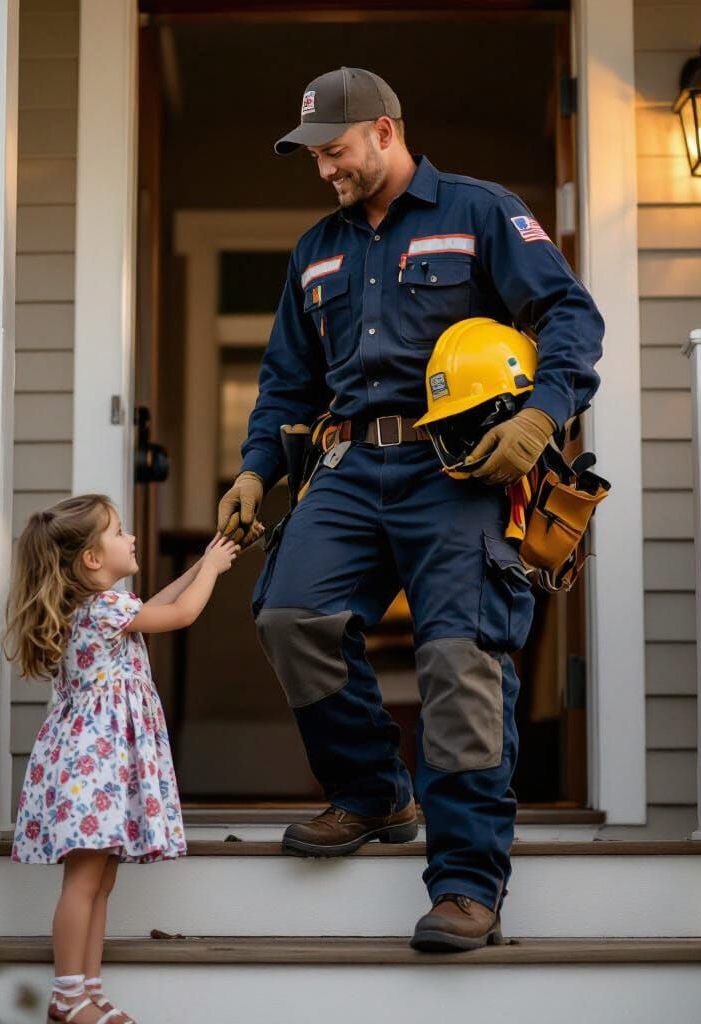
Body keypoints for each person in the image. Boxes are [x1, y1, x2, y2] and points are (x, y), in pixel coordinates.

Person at [217, 67, 604, 952]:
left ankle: (467, 883)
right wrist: (254, 471)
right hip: (350, 463)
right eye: (314, 156)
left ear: (386, 131)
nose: (325, 169)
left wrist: (542, 416)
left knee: (460, 663)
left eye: (336, 150)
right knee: (291, 617)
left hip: (458, 467)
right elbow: (285, 379)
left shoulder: (478, 211)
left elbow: (570, 315)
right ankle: (373, 793)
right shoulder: (316, 249)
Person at [4, 494, 241, 1021]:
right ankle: (67, 995)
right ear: (91, 558)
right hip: (97, 764)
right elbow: (180, 613)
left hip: (94, 763)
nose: (130, 537)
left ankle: (88, 990)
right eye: (118, 531)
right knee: (85, 881)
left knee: (100, 880)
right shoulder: (106, 610)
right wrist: (212, 572)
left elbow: (153, 604)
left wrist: (203, 562)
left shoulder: (101, 608)